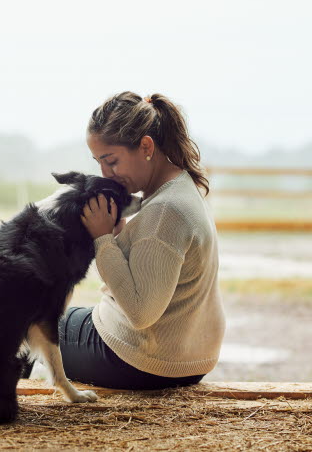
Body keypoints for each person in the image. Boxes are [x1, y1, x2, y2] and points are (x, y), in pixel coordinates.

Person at [57, 91, 225, 390]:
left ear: (146, 146)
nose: (105, 174)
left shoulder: (164, 211)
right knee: (64, 316)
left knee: (31, 323)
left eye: (111, 161)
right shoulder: (180, 188)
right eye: (99, 163)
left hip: (141, 361)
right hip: (187, 356)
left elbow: (140, 313)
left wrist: (103, 238)